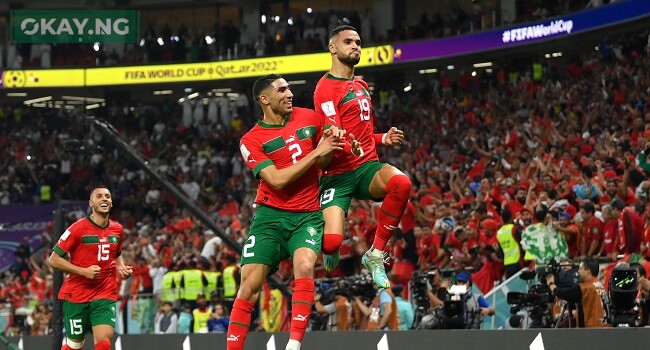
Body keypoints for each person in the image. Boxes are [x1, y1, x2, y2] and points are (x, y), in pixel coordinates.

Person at [226, 74, 349, 350]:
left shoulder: (309, 117)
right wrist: (317, 153)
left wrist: (328, 143)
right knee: (248, 288)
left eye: (290, 88)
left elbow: (327, 158)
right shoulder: (251, 140)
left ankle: (293, 345)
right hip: (269, 218)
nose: (289, 93)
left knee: (304, 266)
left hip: (306, 214)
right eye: (282, 90)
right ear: (264, 99)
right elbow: (278, 180)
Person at [314, 24, 412, 289]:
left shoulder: (361, 84)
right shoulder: (325, 88)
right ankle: (329, 246)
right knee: (333, 242)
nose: (355, 45)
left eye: (358, 41)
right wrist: (349, 147)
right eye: (348, 42)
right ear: (332, 48)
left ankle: (376, 254)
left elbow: (362, 132)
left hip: (366, 167)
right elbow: (332, 134)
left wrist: (382, 138)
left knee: (401, 183)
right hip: (337, 176)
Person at [49, 186, 133, 350]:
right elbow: (54, 260)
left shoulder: (117, 229)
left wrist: (121, 267)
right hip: (77, 293)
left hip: (105, 292)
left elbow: (116, 253)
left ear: (111, 202)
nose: (104, 199)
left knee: (104, 342)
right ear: (91, 203)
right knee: (74, 345)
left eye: (107, 196)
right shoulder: (77, 229)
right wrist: (83, 272)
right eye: (99, 196)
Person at [545, 257, 608, 328]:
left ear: (588, 272)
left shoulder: (585, 288)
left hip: (591, 330)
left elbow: (560, 293)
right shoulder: (601, 285)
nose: (578, 271)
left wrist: (551, 283)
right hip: (604, 327)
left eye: (580, 269)